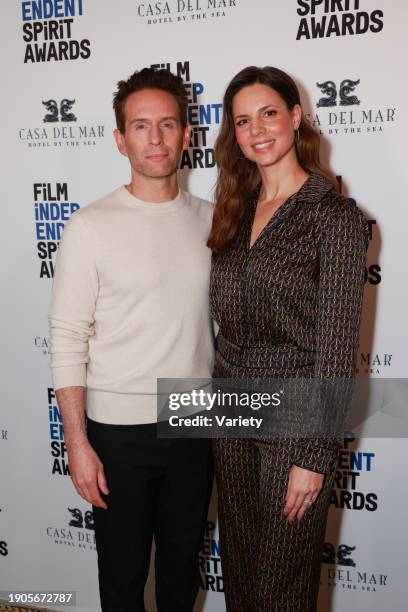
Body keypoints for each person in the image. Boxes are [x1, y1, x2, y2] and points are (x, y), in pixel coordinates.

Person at [48, 67, 214, 612]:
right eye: (141, 126)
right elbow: (68, 336)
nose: (156, 138)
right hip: (117, 432)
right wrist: (77, 443)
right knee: (121, 581)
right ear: (121, 139)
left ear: (187, 135)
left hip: (193, 418)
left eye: (168, 124)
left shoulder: (215, 223)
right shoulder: (89, 227)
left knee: (179, 574)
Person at [208, 66, 368, 611]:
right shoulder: (233, 209)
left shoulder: (335, 216)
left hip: (296, 423)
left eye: (269, 113)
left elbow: (338, 348)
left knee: (281, 591)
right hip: (231, 414)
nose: (257, 130)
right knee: (243, 581)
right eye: (243, 120)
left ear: (296, 117)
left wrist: (313, 453)